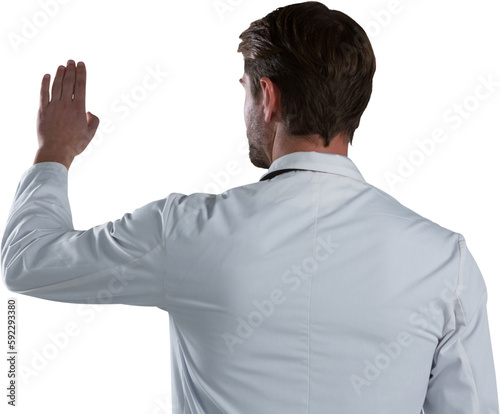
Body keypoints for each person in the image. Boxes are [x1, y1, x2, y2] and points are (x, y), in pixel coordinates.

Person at [1, 1, 498, 412]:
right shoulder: (444, 261)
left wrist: (54, 152)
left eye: (244, 90)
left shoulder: (186, 231)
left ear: (267, 97)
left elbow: (29, 262)